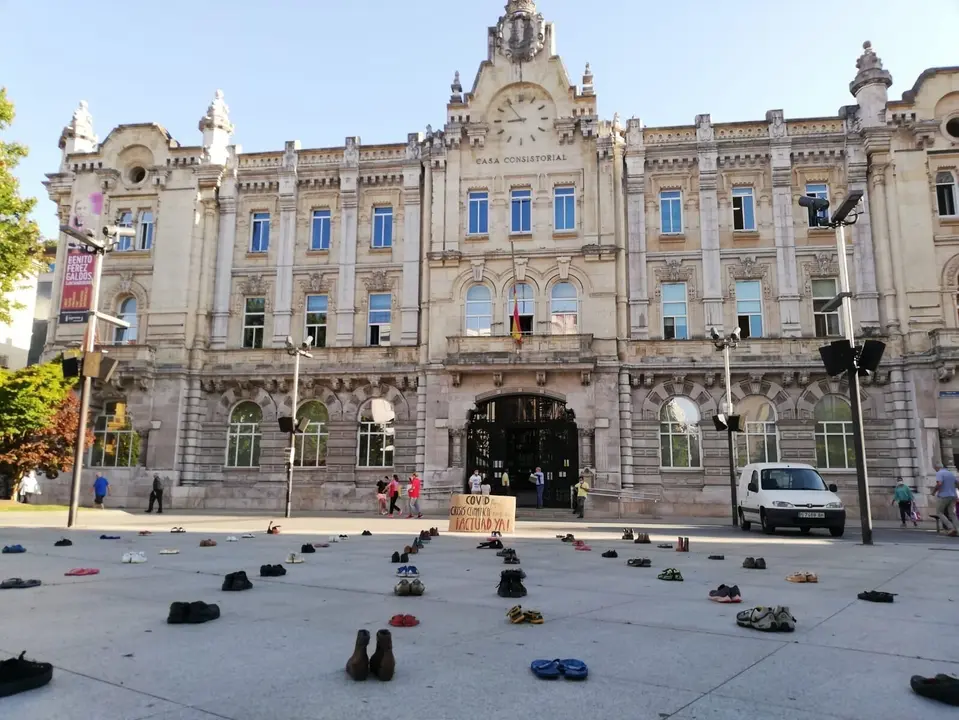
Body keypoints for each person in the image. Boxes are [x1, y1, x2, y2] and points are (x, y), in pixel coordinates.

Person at [933, 462, 959, 536]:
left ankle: (951, 527)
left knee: (939, 512)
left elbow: (939, 484)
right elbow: (957, 483)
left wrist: (934, 491)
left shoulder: (939, 473)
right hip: (953, 496)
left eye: (935, 469)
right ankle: (958, 529)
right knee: (952, 514)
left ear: (936, 467)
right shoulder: (950, 473)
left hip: (943, 496)